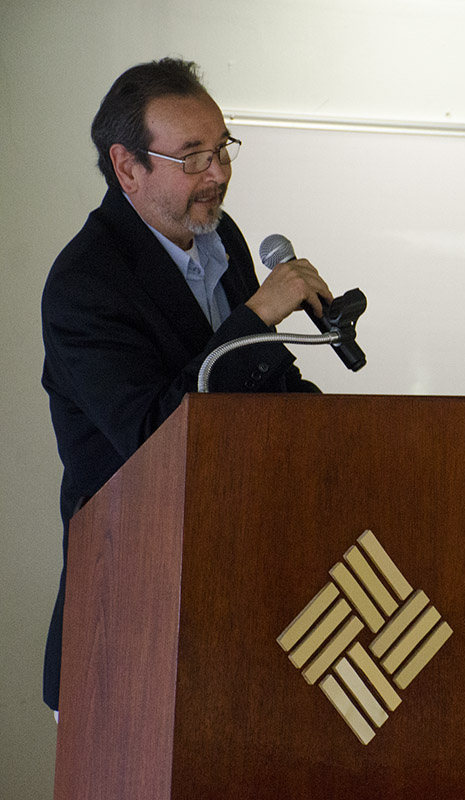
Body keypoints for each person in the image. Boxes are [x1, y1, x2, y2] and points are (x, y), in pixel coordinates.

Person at [40, 58, 331, 714]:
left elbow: (265, 386)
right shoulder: (84, 285)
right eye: (192, 156)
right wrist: (255, 316)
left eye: (222, 148)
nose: (219, 174)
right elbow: (153, 436)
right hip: (125, 628)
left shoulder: (219, 237)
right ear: (127, 168)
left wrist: (346, 437)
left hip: (229, 609)